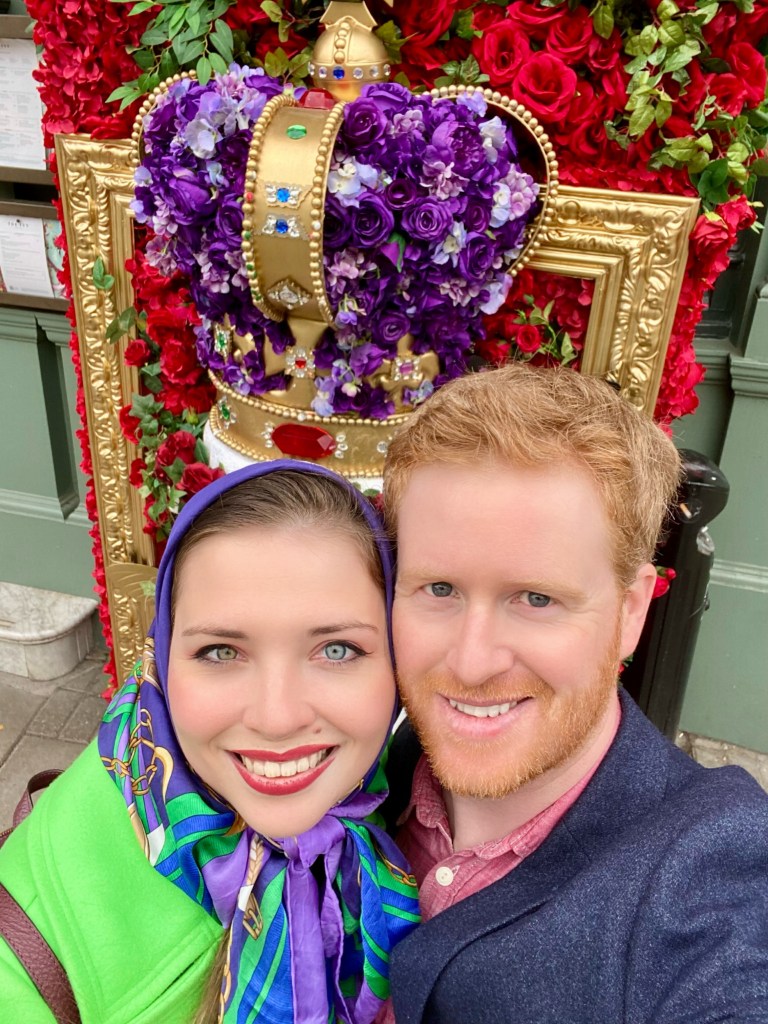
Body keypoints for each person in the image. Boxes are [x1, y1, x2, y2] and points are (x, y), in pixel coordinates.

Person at [380, 365, 768, 1024]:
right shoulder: (368, 763)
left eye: (536, 598)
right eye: (439, 589)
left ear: (631, 611)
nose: (472, 663)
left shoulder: (711, 863)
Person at [0, 461, 419, 1024]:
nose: (277, 717)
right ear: (162, 662)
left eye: (337, 650)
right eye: (222, 652)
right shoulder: (23, 948)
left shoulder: (416, 795)